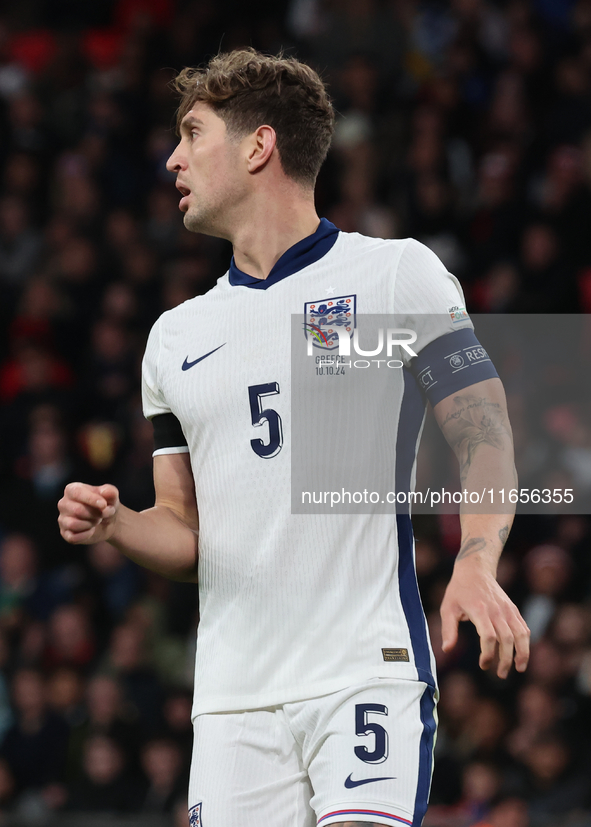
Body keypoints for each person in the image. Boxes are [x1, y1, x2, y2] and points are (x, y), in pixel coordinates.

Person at [58, 49, 530, 827]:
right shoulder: (174, 338)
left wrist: (477, 563)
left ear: (258, 146)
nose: (171, 157)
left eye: (191, 132)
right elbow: (188, 535)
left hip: (363, 673)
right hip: (232, 701)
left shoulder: (392, 277)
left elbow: (485, 435)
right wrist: (119, 527)